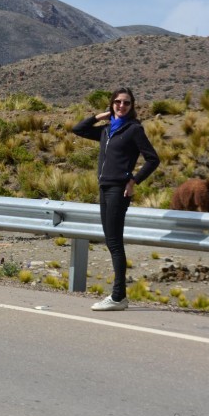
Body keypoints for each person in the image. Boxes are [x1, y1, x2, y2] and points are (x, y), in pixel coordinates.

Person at [71, 88, 159, 311]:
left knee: (114, 242)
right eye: (118, 102)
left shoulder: (134, 129)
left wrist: (133, 181)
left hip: (118, 190)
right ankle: (119, 296)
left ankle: (118, 296)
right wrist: (100, 116)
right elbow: (78, 129)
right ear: (112, 104)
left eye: (126, 103)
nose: (122, 106)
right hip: (104, 188)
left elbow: (152, 159)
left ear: (132, 106)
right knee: (111, 241)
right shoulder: (107, 130)